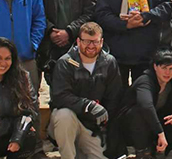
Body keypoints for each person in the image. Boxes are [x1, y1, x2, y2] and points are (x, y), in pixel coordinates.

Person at [49, 22, 124, 159]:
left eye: (95, 42)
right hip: (69, 120)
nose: (90, 46)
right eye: (86, 41)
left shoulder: (109, 62)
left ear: (101, 42)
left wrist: (105, 124)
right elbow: (60, 96)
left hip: (93, 127)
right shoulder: (65, 63)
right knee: (63, 115)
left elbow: (114, 97)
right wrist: (88, 105)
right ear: (78, 41)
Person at [105, 50, 172, 158]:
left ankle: (159, 150)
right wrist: (160, 133)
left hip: (154, 126)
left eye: (171, 69)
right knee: (139, 113)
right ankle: (141, 151)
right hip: (129, 127)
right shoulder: (145, 81)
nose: (167, 72)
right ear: (155, 67)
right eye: (164, 68)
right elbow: (146, 106)